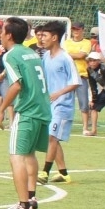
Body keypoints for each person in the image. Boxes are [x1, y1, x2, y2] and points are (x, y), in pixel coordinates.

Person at [0, 17, 50, 209]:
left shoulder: (11, 55)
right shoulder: (31, 53)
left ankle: (23, 206)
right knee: (29, 154)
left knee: (16, 156)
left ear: (9, 35)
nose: (0, 34)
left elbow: (16, 85)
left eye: (2, 31)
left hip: (27, 111)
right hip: (42, 109)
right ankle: (31, 197)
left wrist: (2, 109)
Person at [36, 21, 80, 184]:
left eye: (45, 35)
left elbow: (75, 82)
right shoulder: (46, 56)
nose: (41, 38)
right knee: (53, 139)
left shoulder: (66, 58)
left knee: (51, 137)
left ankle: (44, 173)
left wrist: (58, 94)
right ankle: (63, 173)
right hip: (49, 104)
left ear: (54, 37)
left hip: (62, 105)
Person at [64, 23, 94, 134]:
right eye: (74, 29)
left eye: (78, 29)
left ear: (82, 30)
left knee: (84, 103)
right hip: (68, 77)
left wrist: (69, 54)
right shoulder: (66, 42)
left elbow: (81, 55)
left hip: (81, 76)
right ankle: (65, 126)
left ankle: (85, 127)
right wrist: (74, 55)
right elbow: (65, 56)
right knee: (66, 102)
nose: (75, 31)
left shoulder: (87, 42)